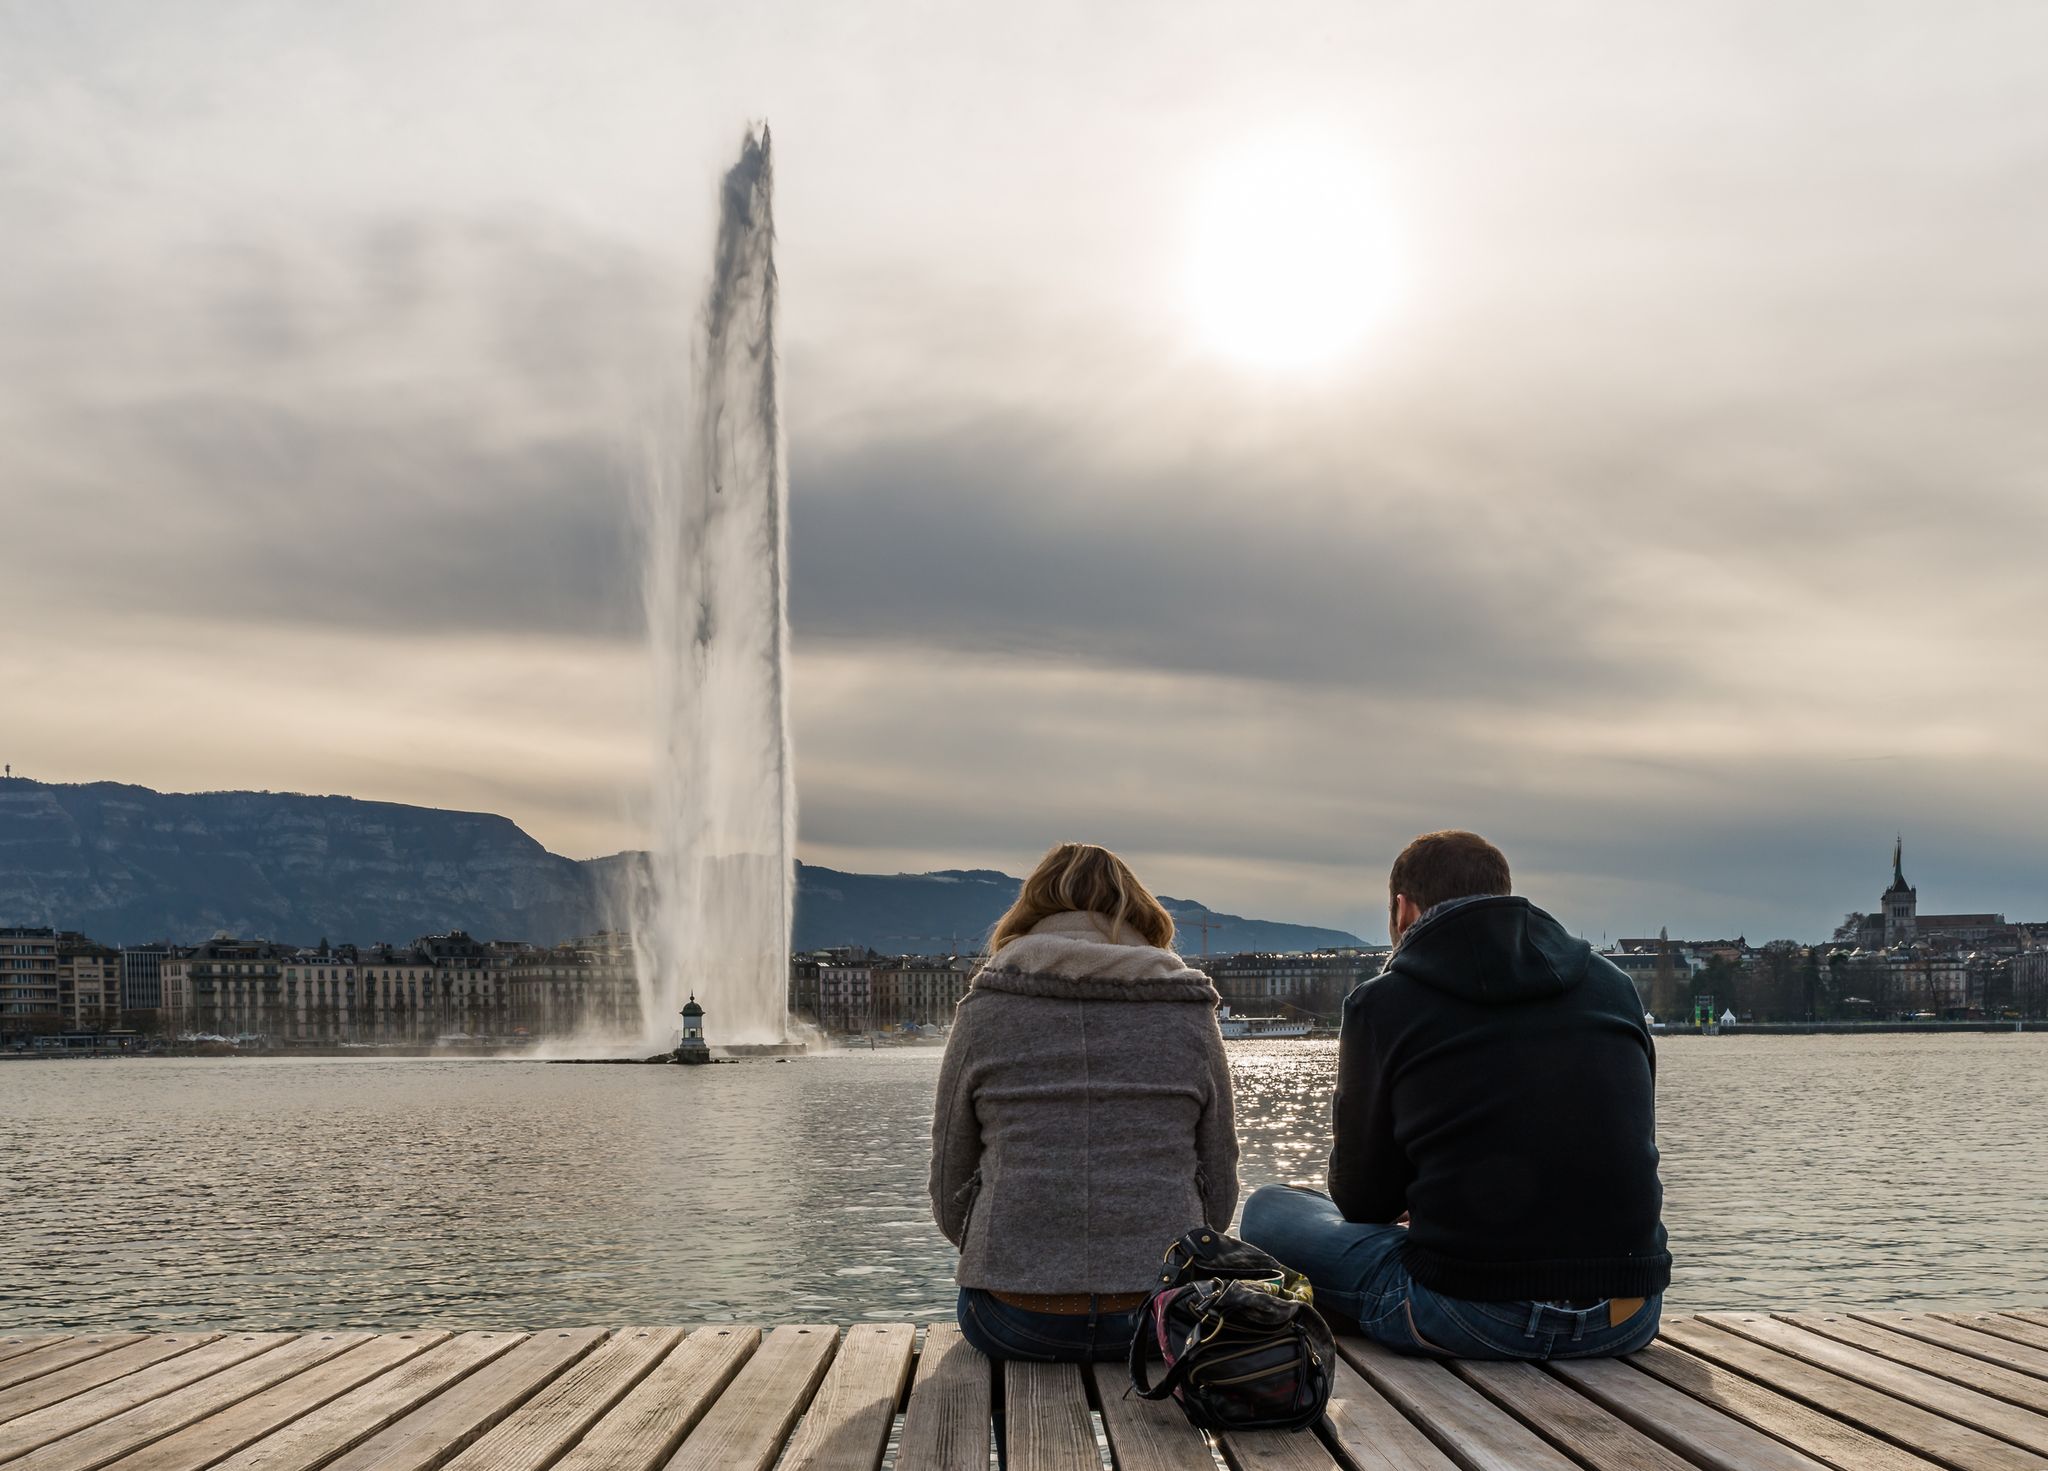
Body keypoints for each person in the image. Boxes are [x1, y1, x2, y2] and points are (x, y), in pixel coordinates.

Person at [1241, 830, 1670, 1360]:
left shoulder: (1384, 1003)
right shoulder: (1611, 985)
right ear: (1507, 896)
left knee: (1268, 1209)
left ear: (1403, 910)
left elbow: (1362, 1201)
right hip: (1628, 1314)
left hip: (1471, 1313)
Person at [929, 841, 1239, 1363]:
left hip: (1011, 1315)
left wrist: (1005, 1255)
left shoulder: (986, 1006)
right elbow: (1221, 1175)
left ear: (1033, 911)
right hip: (1162, 1316)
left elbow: (948, 1175)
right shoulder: (1189, 1009)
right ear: (1140, 911)